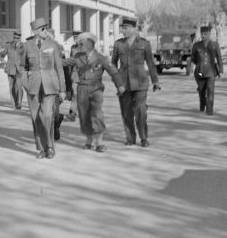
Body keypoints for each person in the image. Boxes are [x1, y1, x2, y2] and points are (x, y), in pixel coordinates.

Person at [62, 32, 125, 152]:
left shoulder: (101, 57)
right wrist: (50, 59)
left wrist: (120, 85)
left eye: (82, 43)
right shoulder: (78, 57)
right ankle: (89, 141)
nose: (80, 45)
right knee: (84, 115)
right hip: (82, 88)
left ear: (90, 43)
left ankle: (99, 142)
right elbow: (64, 63)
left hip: (96, 88)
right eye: (79, 43)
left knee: (97, 114)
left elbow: (113, 72)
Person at [18, 17, 66, 160]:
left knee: (47, 116)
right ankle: (40, 148)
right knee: (35, 117)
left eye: (47, 28)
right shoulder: (27, 46)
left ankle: (50, 146)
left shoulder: (53, 45)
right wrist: (25, 81)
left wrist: (62, 89)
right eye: (42, 29)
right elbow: (21, 66)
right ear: (35, 31)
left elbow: (59, 68)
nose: (46, 31)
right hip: (33, 86)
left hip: (50, 85)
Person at [111, 18, 161, 148]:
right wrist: (118, 83)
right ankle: (130, 137)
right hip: (124, 84)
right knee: (126, 113)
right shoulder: (118, 44)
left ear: (134, 29)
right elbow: (113, 65)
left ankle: (143, 137)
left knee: (141, 110)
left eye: (126, 28)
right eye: (122, 28)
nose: (123, 30)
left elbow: (150, 64)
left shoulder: (144, 43)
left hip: (140, 82)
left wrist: (155, 81)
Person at [191, 25, 223, 115]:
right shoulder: (196, 45)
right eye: (202, 33)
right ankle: (202, 104)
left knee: (210, 90)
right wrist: (193, 67)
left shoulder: (214, 44)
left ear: (209, 34)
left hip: (211, 72)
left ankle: (209, 110)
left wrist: (221, 71)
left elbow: (219, 58)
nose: (204, 35)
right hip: (200, 72)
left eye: (206, 33)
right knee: (201, 90)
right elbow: (193, 58)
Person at [0, 30, 25, 109]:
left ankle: (19, 102)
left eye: (17, 38)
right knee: (12, 87)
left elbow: (24, 57)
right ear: (13, 37)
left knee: (19, 86)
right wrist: (1, 55)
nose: (16, 39)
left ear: (20, 38)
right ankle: (14, 103)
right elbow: (2, 55)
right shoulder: (8, 45)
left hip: (19, 68)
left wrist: (24, 67)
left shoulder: (23, 46)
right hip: (10, 68)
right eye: (14, 37)